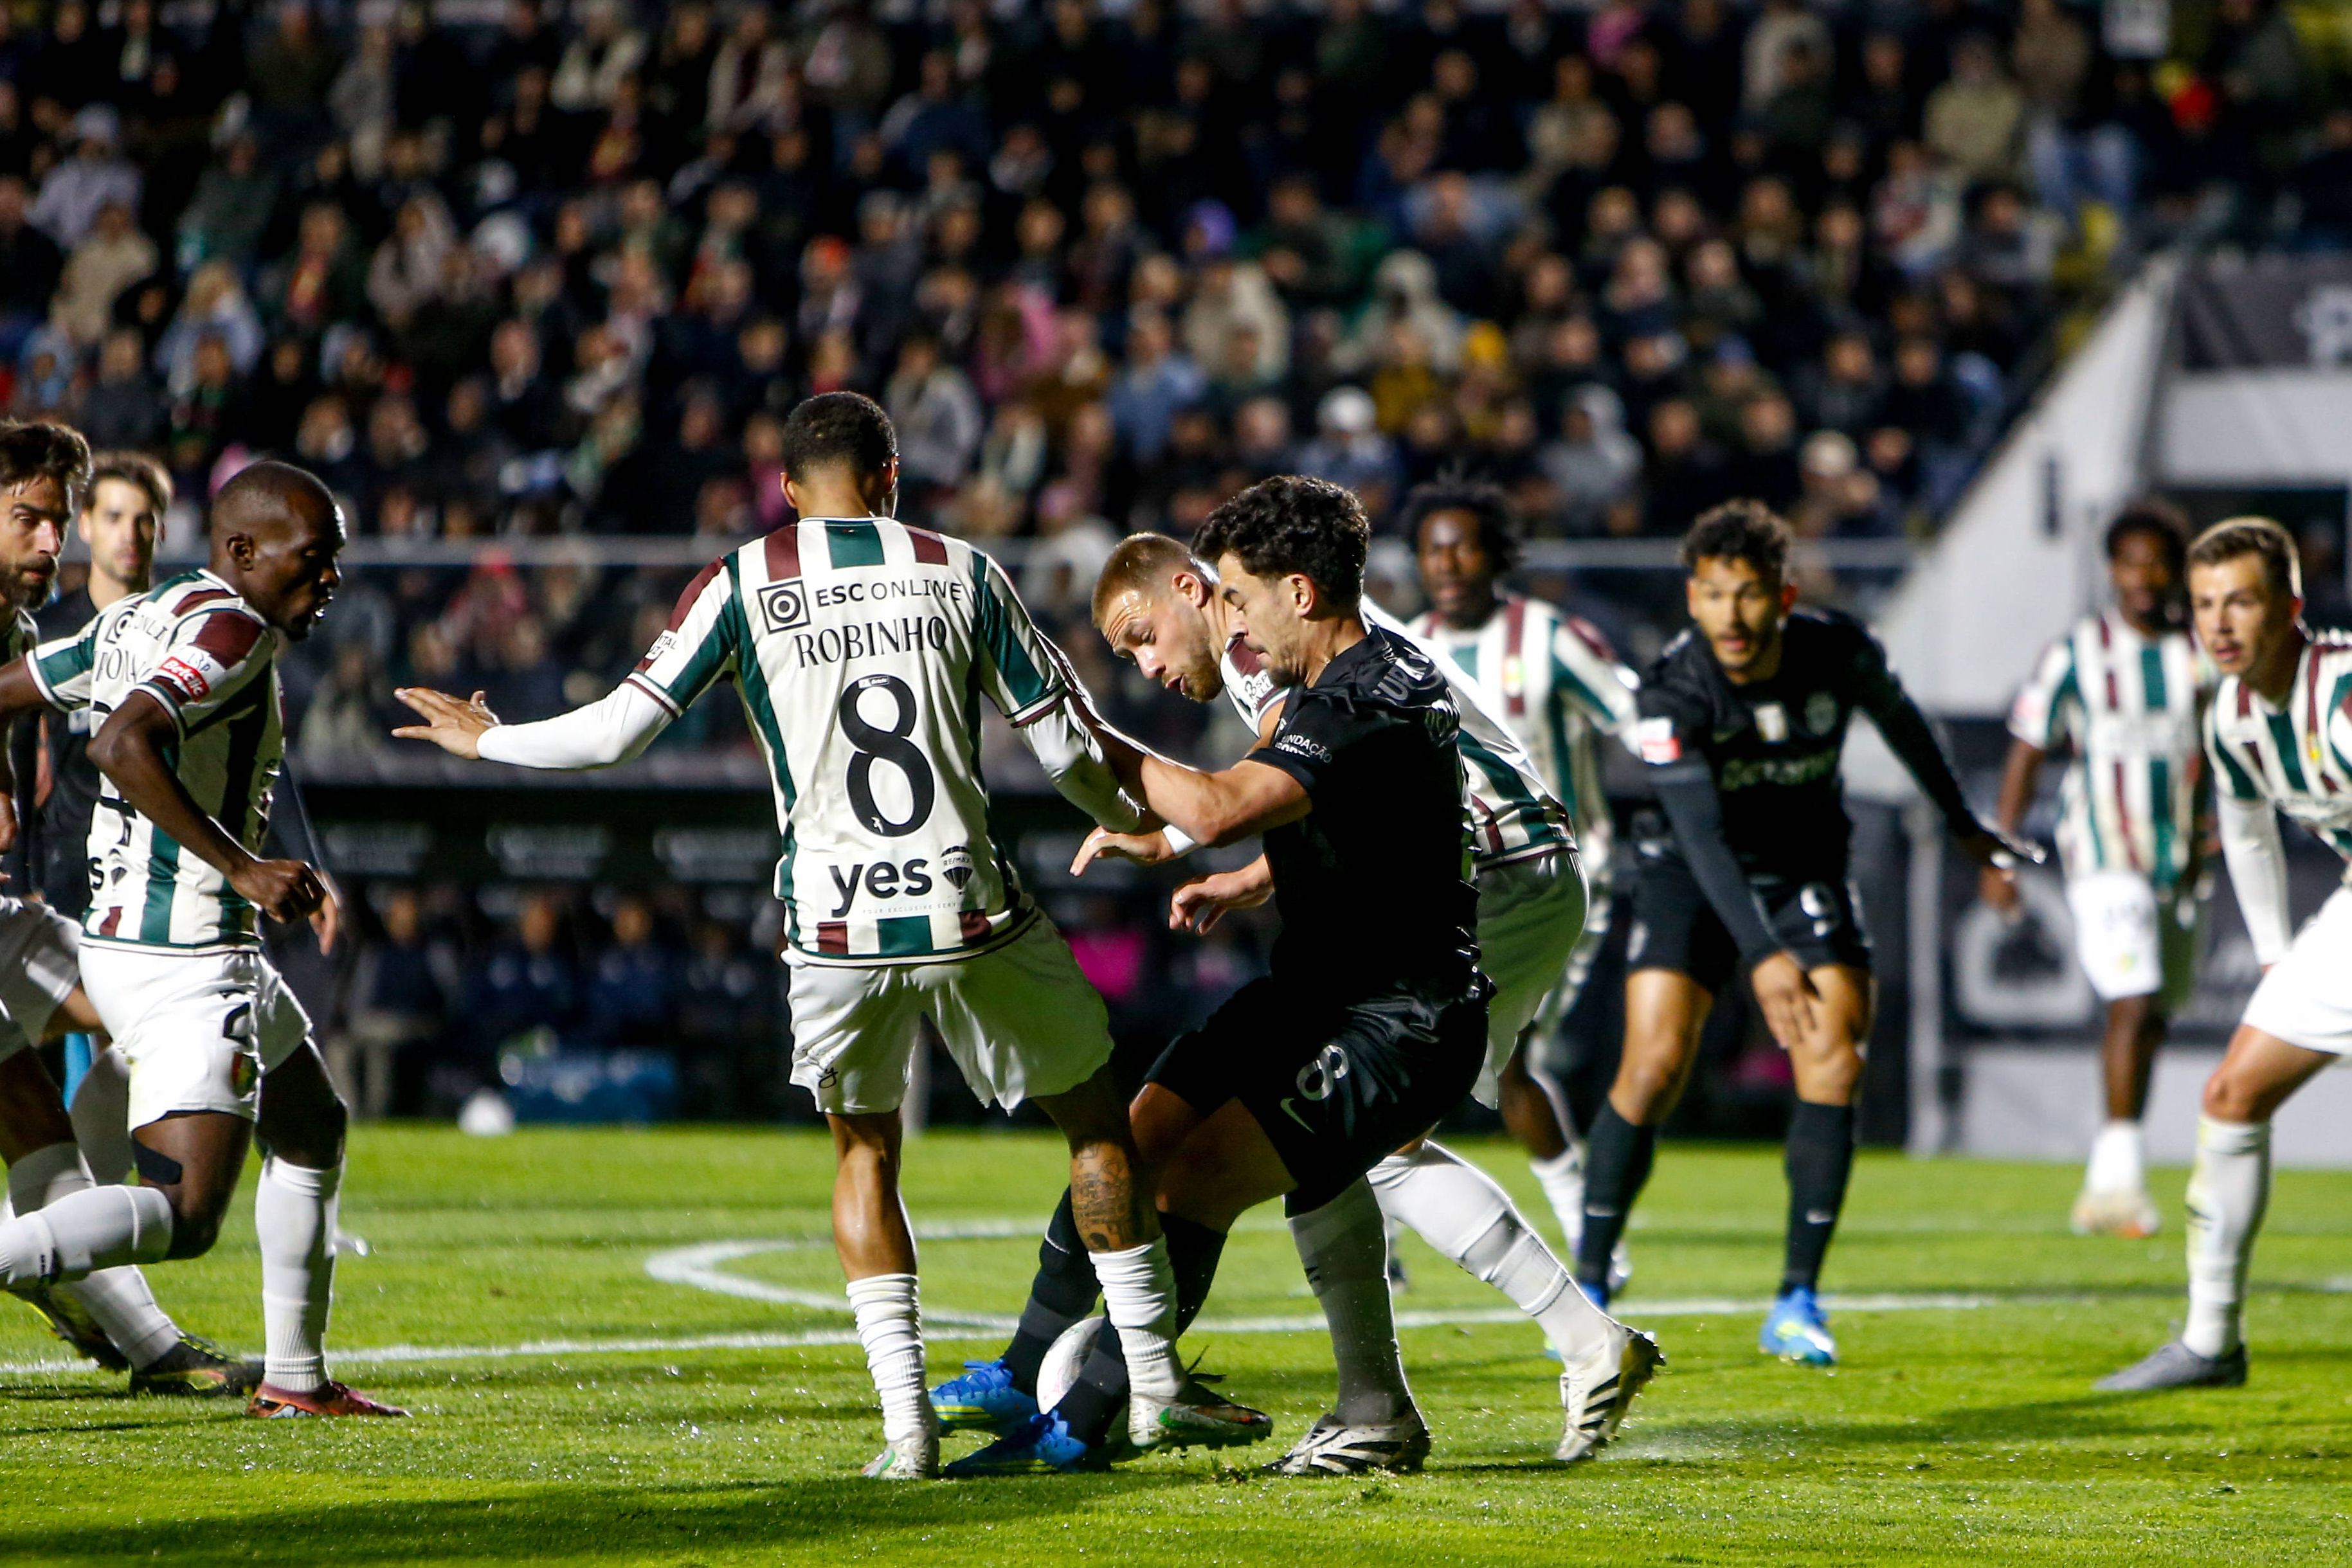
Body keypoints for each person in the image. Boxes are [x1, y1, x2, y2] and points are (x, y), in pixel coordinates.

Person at [390, 392, 1191, 1480]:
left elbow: (622, 729)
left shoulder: (740, 581)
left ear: (785, 487)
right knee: (1096, 1124)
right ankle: (1151, 1385)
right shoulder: (961, 569)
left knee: (864, 1150)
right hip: (970, 903)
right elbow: (1069, 750)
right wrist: (1147, 814)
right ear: (892, 474)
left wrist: (492, 743)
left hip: (832, 920)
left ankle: (906, 1428)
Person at [946, 477, 1660, 1477]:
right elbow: (1311, 809)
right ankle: (1064, 1371)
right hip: (1363, 953)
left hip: (1477, 904)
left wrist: (1097, 743)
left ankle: (1550, 1345)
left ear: (1253, 592)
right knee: (1151, 1129)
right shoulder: (1297, 662)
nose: (1158, 660)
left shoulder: (1328, 674)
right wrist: (1224, 861)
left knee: (1356, 1146)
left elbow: (1249, 799)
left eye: (1149, 633)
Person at [1578, 499, 2025, 1365]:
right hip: (1688, 877)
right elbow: (1703, 837)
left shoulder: (1837, 652)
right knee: (1654, 1060)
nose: (1730, 615)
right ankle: (1590, 1284)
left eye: (1747, 594)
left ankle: (1795, 1299)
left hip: (1803, 873)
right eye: (1712, 595)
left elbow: (1903, 726)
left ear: (1782, 597)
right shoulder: (1671, 691)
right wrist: (1764, 956)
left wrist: (1964, 824)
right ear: (1691, 598)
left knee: (1834, 1057)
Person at [0, 458, 395, 1417]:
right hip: (187, 958)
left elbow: (20, 684)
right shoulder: (231, 626)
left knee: (310, 1125)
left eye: (335, 562)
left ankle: (297, 1380)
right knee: (182, 1216)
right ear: (243, 549)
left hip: (137, 943)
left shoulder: (147, 613)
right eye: (311, 559)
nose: (328, 581)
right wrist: (247, 866)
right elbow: (120, 741)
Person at [0, 428, 257, 1396]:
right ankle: (132, 1326)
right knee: (33, 1107)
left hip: (8, 912)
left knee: (128, 1028)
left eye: (57, 519)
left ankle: (97, 1290)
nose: (49, 540)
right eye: (29, 516)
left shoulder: (24, 629)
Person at [2100, 518, 2352, 1391]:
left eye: (2240, 600)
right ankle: (2210, 1341)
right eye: (2204, 604)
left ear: (2288, 607)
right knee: (2232, 1093)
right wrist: (2278, 957)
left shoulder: (2344, 692)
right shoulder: (2233, 714)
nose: (2218, 622)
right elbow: (2245, 835)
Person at [1406, 479, 1642, 1268]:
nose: (1447, 562)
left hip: (1552, 879)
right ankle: (1586, 1230)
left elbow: (1636, 722)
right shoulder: (1402, 647)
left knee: (1497, 1048)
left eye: (1464, 545)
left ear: (1497, 555)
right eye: (1433, 548)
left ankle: (1583, 1230)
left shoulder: (1551, 638)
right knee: (1475, 1050)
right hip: (1451, 885)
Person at [1984, 502, 2212, 1239]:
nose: (2143, 577)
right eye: (2129, 561)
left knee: (2154, 1016)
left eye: (2157, 561)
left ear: (2175, 571)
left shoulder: (2200, 654)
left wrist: (2217, 818)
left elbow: (2223, 747)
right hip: (2102, 853)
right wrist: (2003, 847)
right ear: (2110, 569)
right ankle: (2118, 1184)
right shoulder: (2077, 653)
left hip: (2177, 864)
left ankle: (2107, 1177)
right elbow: (2027, 745)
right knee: (2133, 1000)